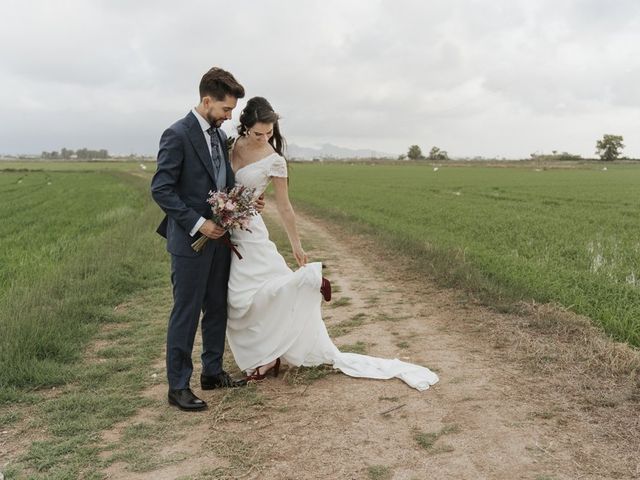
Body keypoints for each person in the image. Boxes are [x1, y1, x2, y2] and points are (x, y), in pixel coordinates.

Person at [226, 97, 439, 391]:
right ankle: (268, 353)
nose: (264, 138)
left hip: (250, 234)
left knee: (249, 295)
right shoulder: (229, 145)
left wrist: (297, 245)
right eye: (258, 133)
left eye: (269, 133)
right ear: (245, 126)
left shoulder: (274, 159)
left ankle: (274, 343)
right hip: (224, 230)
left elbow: (285, 207)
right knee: (234, 300)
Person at [151, 67, 261, 412]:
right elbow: (162, 189)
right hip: (189, 241)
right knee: (186, 311)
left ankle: (212, 372)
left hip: (220, 240)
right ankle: (178, 386)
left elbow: (221, 183)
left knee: (217, 306)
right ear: (206, 100)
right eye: (226, 110)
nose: (229, 117)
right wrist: (199, 223)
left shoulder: (218, 136)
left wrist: (243, 201)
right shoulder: (177, 134)